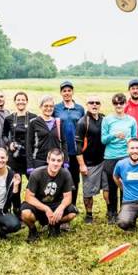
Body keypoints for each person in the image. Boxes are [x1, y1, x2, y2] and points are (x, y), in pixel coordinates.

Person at [20, 148, 78, 241]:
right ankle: (33, 230)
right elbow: (28, 197)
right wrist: (46, 209)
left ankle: (54, 225)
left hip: (55, 204)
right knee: (25, 213)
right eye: (53, 160)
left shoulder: (65, 174)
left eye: (58, 161)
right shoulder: (36, 173)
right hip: (39, 205)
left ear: (62, 162)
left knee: (72, 213)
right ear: (48, 160)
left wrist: (61, 208)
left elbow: (68, 197)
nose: (55, 163)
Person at [101, 93, 138, 223]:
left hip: (125, 157)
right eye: (116, 103)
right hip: (111, 157)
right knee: (112, 187)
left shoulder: (131, 120)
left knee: (125, 186)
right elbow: (103, 140)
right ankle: (112, 212)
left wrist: (129, 140)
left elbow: (135, 139)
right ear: (113, 104)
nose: (119, 105)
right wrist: (114, 135)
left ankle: (124, 212)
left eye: (121, 103)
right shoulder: (107, 120)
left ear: (125, 104)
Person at [2, 91, 37, 216]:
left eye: (23, 99)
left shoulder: (33, 117)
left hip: (29, 156)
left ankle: (33, 208)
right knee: (16, 184)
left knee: (34, 182)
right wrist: (9, 143)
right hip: (14, 156)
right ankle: (16, 211)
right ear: (15, 101)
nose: (21, 102)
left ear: (27, 101)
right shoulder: (9, 118)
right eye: (18, 99)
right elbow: (4, 135)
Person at [75, 95, 108, 223]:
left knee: (107, 188)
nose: (94, 105)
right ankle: (89, 215)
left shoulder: (104, 119)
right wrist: (82, 165)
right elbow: (78, 146)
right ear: (87, 105)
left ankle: (110, 212)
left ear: (100, 105)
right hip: (89, 163)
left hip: (104, 160)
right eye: (91, 102)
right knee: (88, 192)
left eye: (97, 102)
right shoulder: (83, 122)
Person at [54, 80, 86, 208]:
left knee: (74, 179)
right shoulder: (56, 108)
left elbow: (84, 127)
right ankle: (60, 204)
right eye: (64, 91)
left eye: (69, 90)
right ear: (61, 93)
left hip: (75, 150)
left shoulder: (80, 109)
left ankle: (72, 205)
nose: (67, 93)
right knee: (60, 178)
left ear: (72, 92)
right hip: (60, 149)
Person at [26, 95, 67, 171]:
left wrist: (65, 160)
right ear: (40, 107)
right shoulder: (33, 122)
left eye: (51, 106)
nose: (48, 108)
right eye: (46, 106)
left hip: (55, 161)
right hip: (39, 161)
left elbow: (64, 142)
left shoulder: (58, 122)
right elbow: (29, 145)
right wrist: (30, 165)